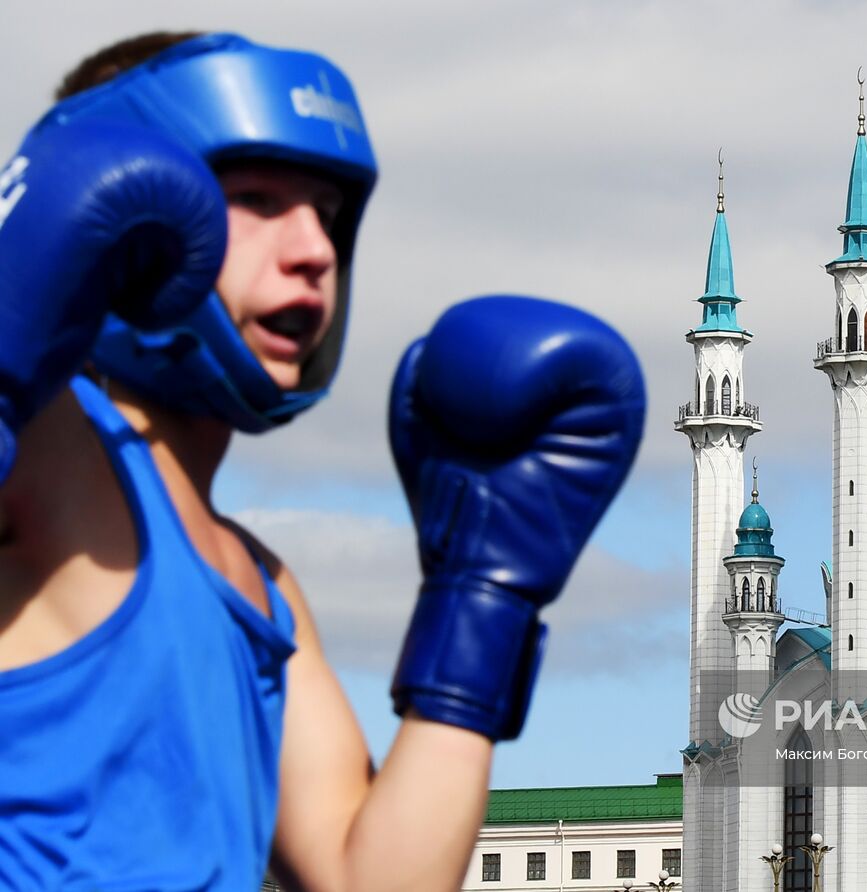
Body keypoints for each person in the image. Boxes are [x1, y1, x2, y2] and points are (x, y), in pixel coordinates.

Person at [0, 31, 645, 890]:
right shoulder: (46, 448)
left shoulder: (260, 582)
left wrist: (484, 597)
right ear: (123, 222)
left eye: (329, 215)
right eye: (258, 198)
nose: (313, 249)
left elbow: (371, 881)